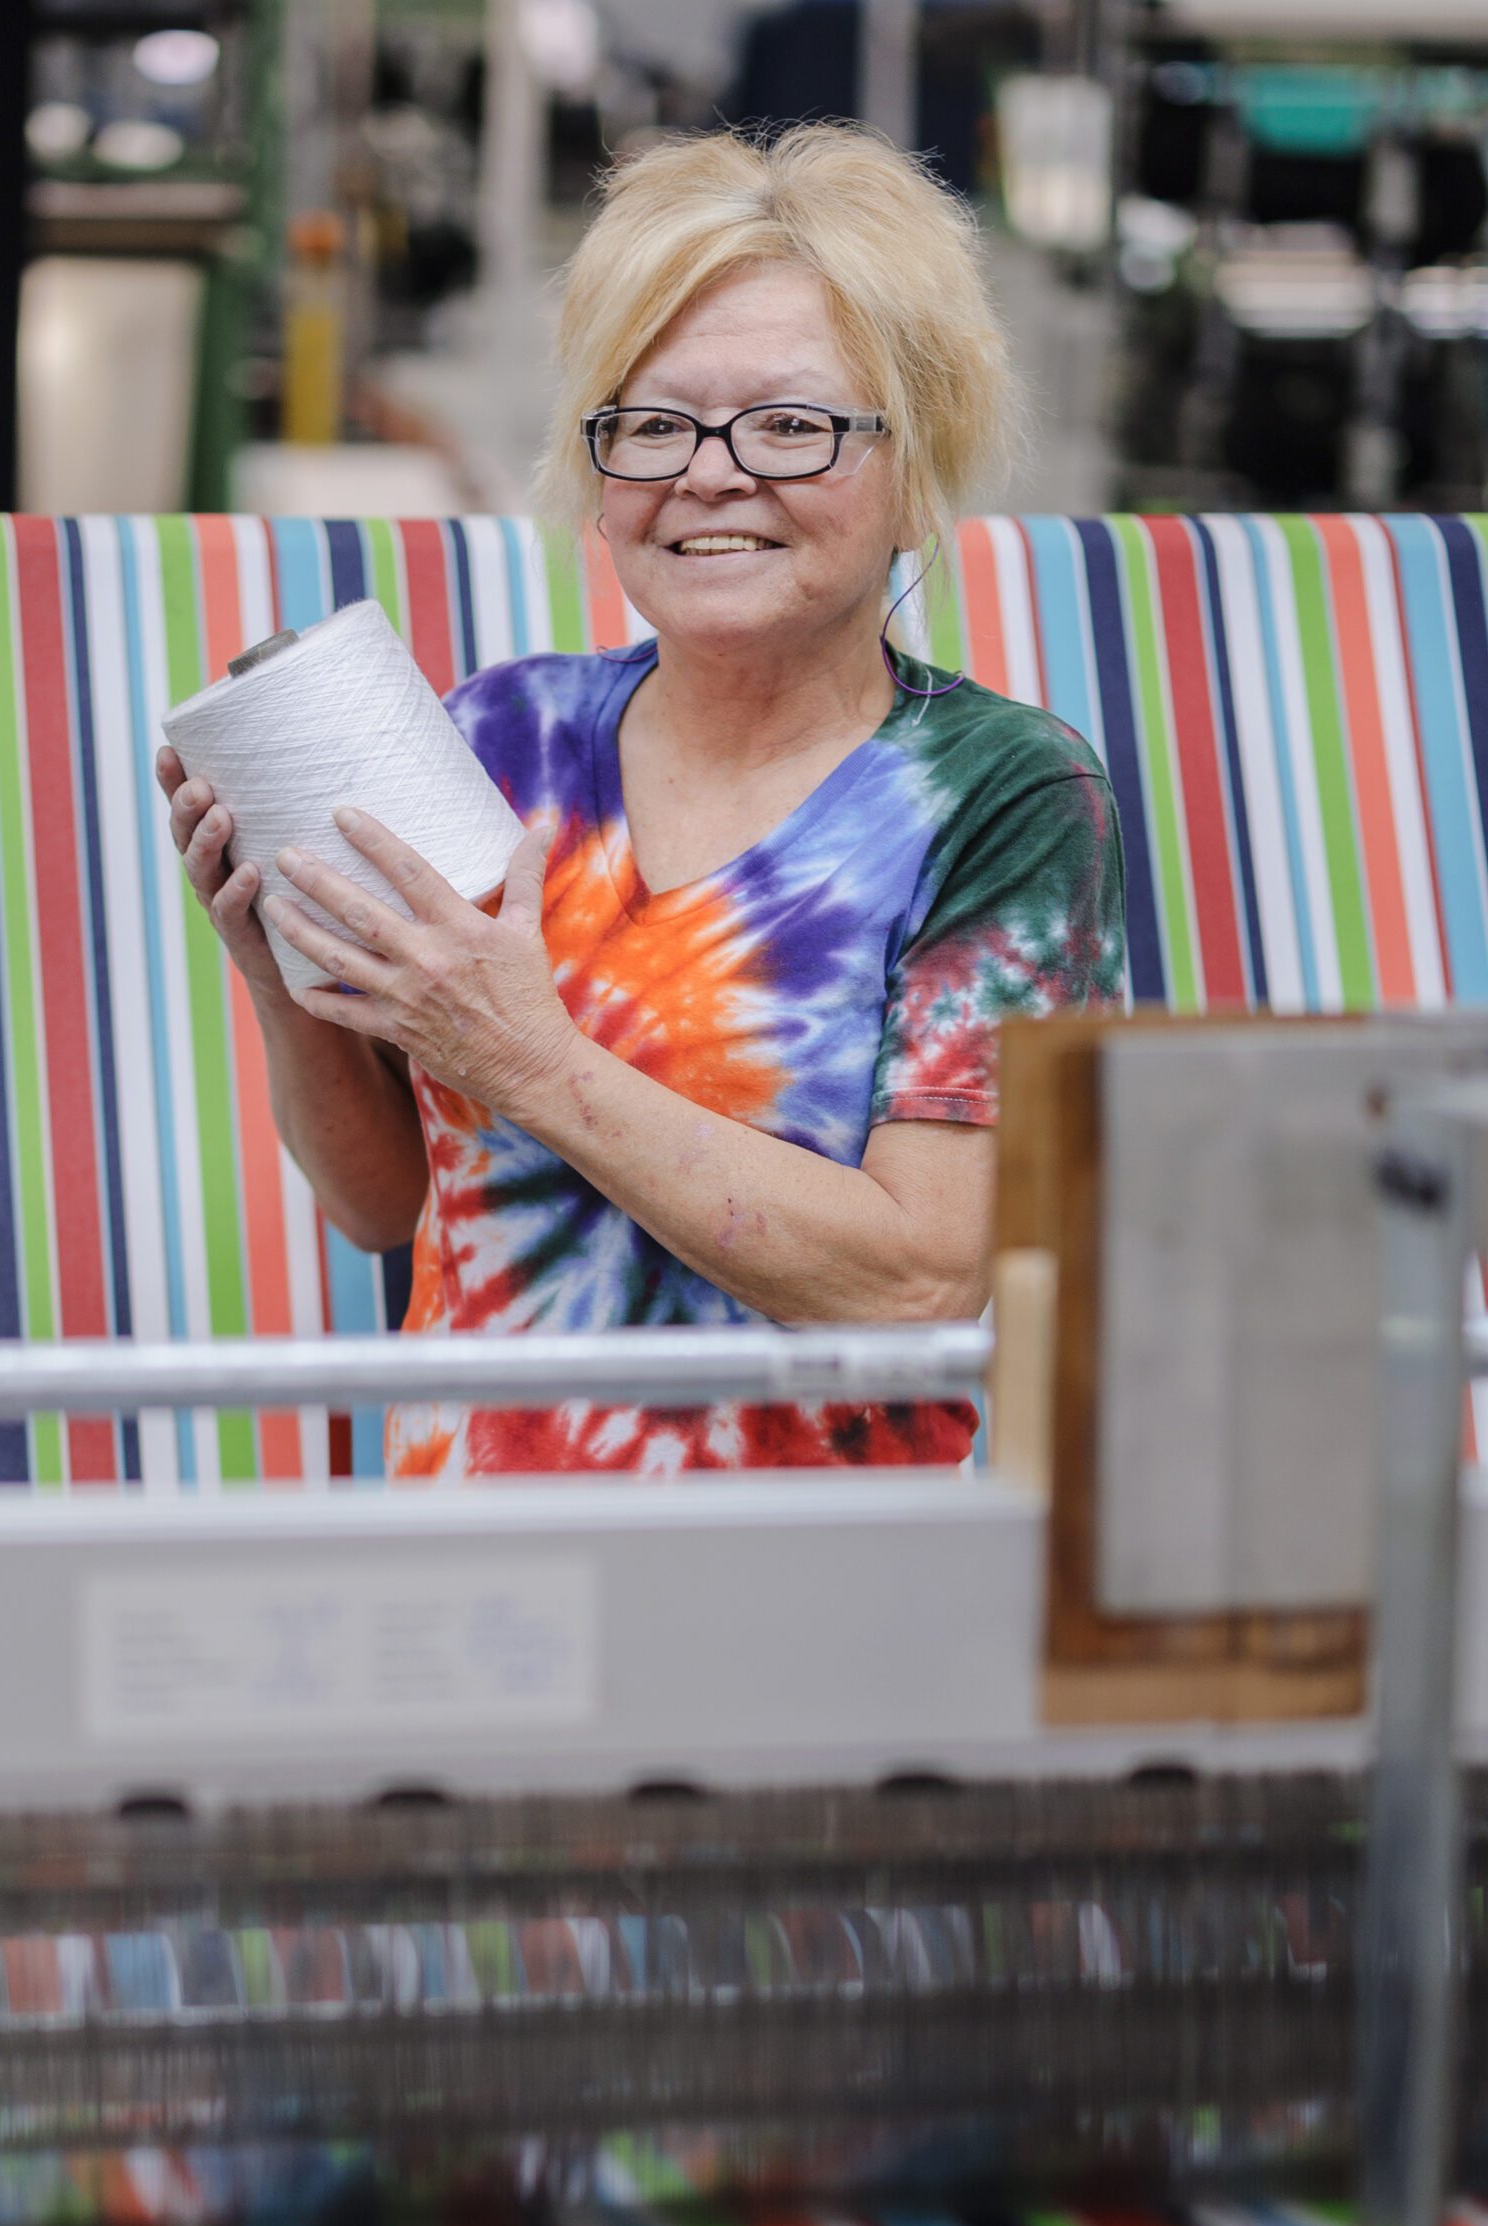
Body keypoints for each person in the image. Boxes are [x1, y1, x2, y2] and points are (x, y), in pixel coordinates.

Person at [155, 124, 1125, 1477]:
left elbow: (918, 1288)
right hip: (478, 1577)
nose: (709, 473)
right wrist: (282, 977)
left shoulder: (1002, 795)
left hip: (798, 1606)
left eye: (791, 424)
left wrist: (530, 1063)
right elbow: (388, 1205)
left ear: (914, 473)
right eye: (653, 423)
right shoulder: (502, 731)